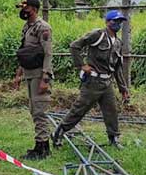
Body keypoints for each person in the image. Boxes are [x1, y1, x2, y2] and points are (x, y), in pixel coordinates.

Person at [55, 10, 130, 147]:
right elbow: (74, 46)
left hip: (107, 82)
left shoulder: (118, 43)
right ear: (107, 22)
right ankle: (59, 132)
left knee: (111, 111)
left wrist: (123, 88)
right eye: (115, 21)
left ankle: (113, 138)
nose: (118, 24)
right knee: (79, 109)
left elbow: (117, 68)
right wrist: (82, 65)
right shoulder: (98, 35)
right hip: (93, 82)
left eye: (120, 22)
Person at [12, 0, 54, 160]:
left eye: (26, 8)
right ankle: (39, 144)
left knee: (40, 110)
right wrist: (18, 74)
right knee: (34, 110)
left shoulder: (43, 28)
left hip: (39, 74)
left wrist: (45, 78)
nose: (23, 11)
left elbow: (48, 53)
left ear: (34, 9)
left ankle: (43, 148)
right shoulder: (27, 27)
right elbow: (25, 51)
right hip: (29, 74)